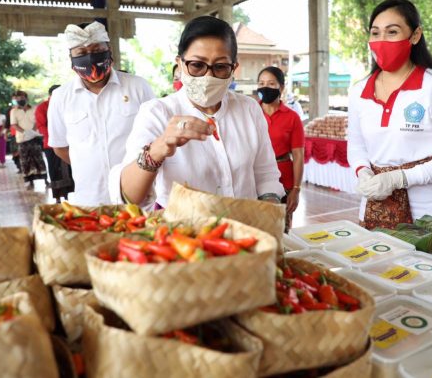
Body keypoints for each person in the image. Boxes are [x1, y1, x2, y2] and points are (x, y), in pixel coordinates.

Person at [110, 16, 284, 208]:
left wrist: (272, 210)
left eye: (220, 67)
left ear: (234, 68)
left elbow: (265, 174)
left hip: (246, 225)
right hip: (183, 227)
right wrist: (158, 149)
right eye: (197, 65)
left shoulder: (248, 109)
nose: (208, 76)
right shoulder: (157, 113)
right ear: (180, 64)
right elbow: (129, 197)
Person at [348, 0, 432, 230]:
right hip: (374, 206)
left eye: (392, 32)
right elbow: (356, 146)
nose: (381, 40)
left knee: (424, 254)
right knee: (375, 253)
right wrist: (363, 172)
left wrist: (401, 178)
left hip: (427, 212)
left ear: (415, 35)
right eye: (375, 33)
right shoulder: (359, 91)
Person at [48, 21, 155, 206]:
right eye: (81, 53)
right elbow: (60, 147)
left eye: (97, 50)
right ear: (71, 57)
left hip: (138, 196)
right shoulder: (60, 97)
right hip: (90, 198)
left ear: (109, 49)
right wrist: (88, 166)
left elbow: (156, 137)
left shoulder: (138, 87)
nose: (90, 58)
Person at [257, 66, 305, 231]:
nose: (265, 87)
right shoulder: (251, 113)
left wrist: (296, 189)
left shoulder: (292, 117)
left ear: (281, 87)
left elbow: (298, 155)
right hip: (255, 178)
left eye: (271, 84)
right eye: (261, 83)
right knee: (257, 228)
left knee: (281, 229)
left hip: (284, 179)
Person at [36, 84, 74, 202]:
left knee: (70, 170)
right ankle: (57, 197)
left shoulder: (67, 103)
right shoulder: (42, 107)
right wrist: (56, 136)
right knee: (54, 170)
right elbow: (41, 126)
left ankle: (70, 195)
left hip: (69, 142)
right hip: (51, 144)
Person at [10, 90, 48, 189]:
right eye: (18, 99)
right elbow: (14, 124)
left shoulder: (34, 108)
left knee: (39, 159)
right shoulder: (14, 111)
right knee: (25, 161)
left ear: (26, 98)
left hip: (35, 137)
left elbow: (37, 121)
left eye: (22, 98)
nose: (20, 100)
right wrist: (25, 132)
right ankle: (29, 182)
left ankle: (45, 180)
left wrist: (32, 131)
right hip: (22, 139)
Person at [7, 93, 21, 171]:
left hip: (22, 133)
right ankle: (19, 166)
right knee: (15, 152)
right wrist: (6, 132)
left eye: (16, 98)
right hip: (13, 134)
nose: (15, 100)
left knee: (21, 151)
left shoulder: (23, 108)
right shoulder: (10, 110)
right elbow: (7, 123)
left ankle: (23, 167)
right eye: (13, 99)